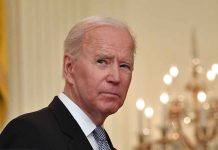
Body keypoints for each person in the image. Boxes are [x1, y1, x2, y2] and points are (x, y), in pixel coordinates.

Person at [0, 16, 135, 150]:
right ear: (69, 68)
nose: (116, 78)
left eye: (124, 66)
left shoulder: (105, 145)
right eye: (102, 61)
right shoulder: (28, 133)